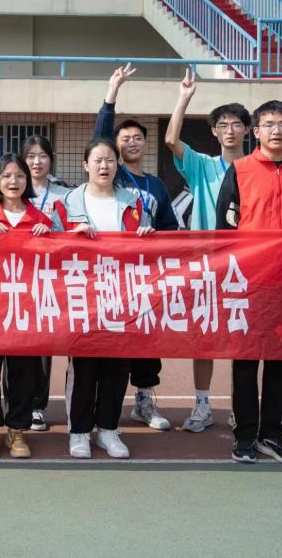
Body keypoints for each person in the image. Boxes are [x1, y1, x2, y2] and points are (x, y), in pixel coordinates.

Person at [218, 100, 282, 466]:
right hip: (249, 281)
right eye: (268, 124)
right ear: (256, 132)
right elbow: (222, 229)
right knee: (246, 360)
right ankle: (245, 435)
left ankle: (272, 434)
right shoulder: (239, 171)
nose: (276, 130)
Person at [163, 70, 251, 433]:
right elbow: (171, 140)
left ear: (247, 130)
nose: (230, 130)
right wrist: (184, 98)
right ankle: (202, 405)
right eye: (223, 125)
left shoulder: (257, 169)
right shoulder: (202, 166)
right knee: (205, 336)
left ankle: (242, 407)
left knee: (243, 340)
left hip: (247, 266)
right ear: (214, 132)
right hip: (207, 266)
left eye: (236, 124)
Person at [94, 65, 179, 432]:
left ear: (145, 143)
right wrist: (112, 93)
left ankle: (144, 401)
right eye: (124, 138)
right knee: (112, 338)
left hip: (147, 277)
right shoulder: (114, 177)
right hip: (112, 274)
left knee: (147, 338)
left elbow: (171, 229)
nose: (131, 143)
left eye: (137, 138)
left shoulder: (157, 185)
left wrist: (157, 240)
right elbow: (100, 136)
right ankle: (102, 404)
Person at [63, 138, 155, 459]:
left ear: (118, 165)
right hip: (83, 295)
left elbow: (147, 248)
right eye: (97, 160)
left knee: (117, 366)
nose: (104, 166)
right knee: (84, 367)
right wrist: (70, 236)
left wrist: (147, 236)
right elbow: (49, 244)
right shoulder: (68, 202)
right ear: (85, 165)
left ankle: (108, 429)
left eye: (110, 160)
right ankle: (79, 431)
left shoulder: (133, 202)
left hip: (122, 294)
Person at [0, 154, 53, 458]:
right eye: (6, 176)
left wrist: (49, 238)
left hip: (27, 310)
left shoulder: (41, 220)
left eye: (19, 175)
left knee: (23, 373)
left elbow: (56, 261)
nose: (13, 181)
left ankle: (18, 430)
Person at [19, 135, 70, 432]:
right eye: (30, 156)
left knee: (42, 345)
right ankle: (15, 402)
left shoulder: (65, 195)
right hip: (16, 278)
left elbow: (73, 231)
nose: (36, 162)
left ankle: (37, 405)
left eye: (42, 156)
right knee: (16, 344)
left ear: (51, 159)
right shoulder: (12, 188)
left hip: (49, 279)